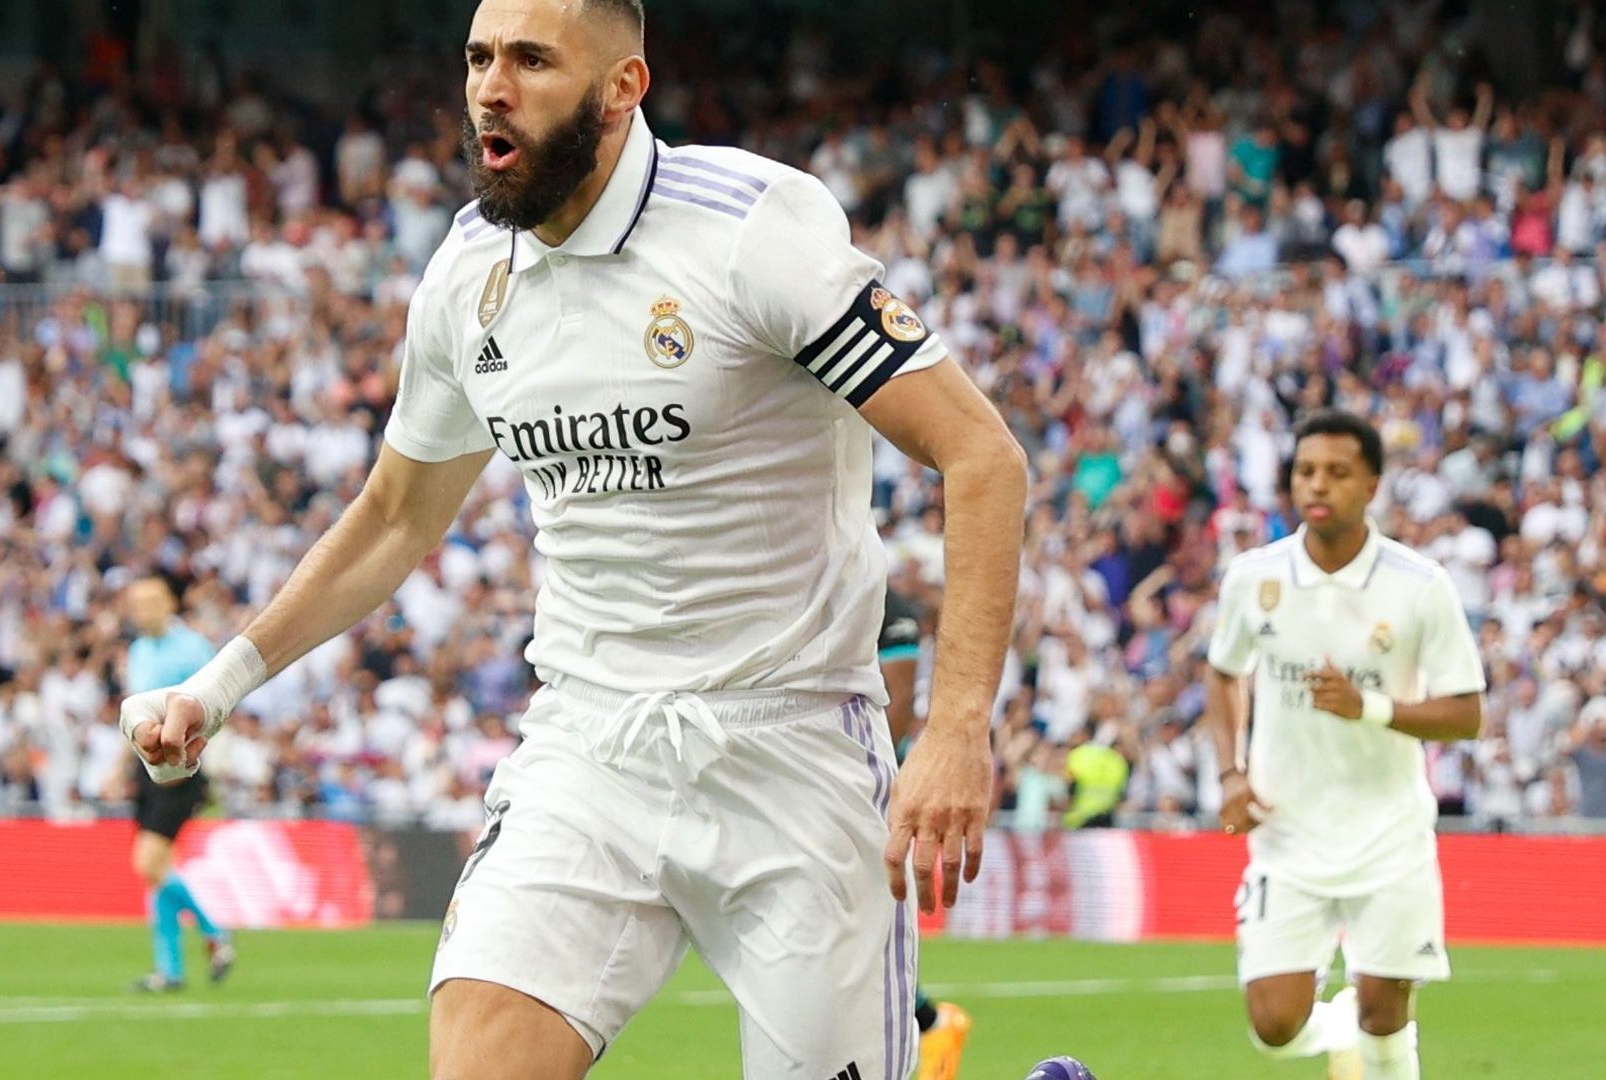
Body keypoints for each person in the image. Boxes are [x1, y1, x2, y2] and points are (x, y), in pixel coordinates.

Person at [122, 2, 1027, 1077]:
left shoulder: (751, 227)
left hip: (794, 753)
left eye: (531, 60)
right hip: (588, 749)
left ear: (622, 88)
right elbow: (397, 515)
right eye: (478, 58)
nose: (490, 88)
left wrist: (958, 726)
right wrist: (219, 687)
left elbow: (983, 459)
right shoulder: (468, 274)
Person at [1206, 410, 1485, 1080]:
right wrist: (1230, 773)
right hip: (1289, 830)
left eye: (1337, 472)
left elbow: (1466, 714)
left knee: (1386, 1014)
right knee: (1274, 1024)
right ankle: (1337, 1033)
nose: (1317, 485)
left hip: (1388, 831)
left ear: (1372, 485)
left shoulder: (1420, 585)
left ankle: (1366, 1040)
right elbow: (1223, 675)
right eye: (1305, 471)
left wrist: (1370, 708)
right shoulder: (1253, 578)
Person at [122, 578, 235, 993]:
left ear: (170, 602)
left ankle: (215, 931)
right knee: (157, 870)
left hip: (183, 764)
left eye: (151, 601)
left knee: (148, 863)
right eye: (136, 603)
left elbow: (218, 701)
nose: (143, 610)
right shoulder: (137, 651)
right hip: (148, 766)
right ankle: (169, 971)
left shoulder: (191, 648)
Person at [879, 587, 972, 1080]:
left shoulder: (890, 610)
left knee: (867, 924)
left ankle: (931, 1023)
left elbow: (895, 710)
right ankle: (931, 1021)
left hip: (867, 789)